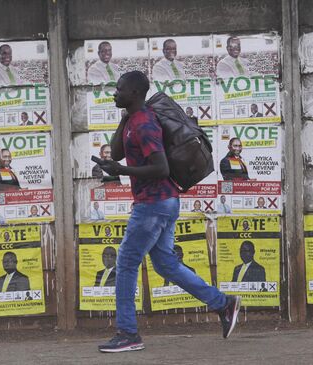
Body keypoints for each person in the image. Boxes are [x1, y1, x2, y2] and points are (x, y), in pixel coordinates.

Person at [95, 71, 240, 352]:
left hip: (154, 204)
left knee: (125, 263)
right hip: (160, 203)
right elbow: (117, 152)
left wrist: (122, 171)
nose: (114, 93)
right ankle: (224, 304)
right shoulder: (132, 120)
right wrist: (124, 117)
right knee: (165, 264)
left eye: (120, 89)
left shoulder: (145, 124)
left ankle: (128, 333)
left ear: (135, 93)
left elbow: (160, 167)